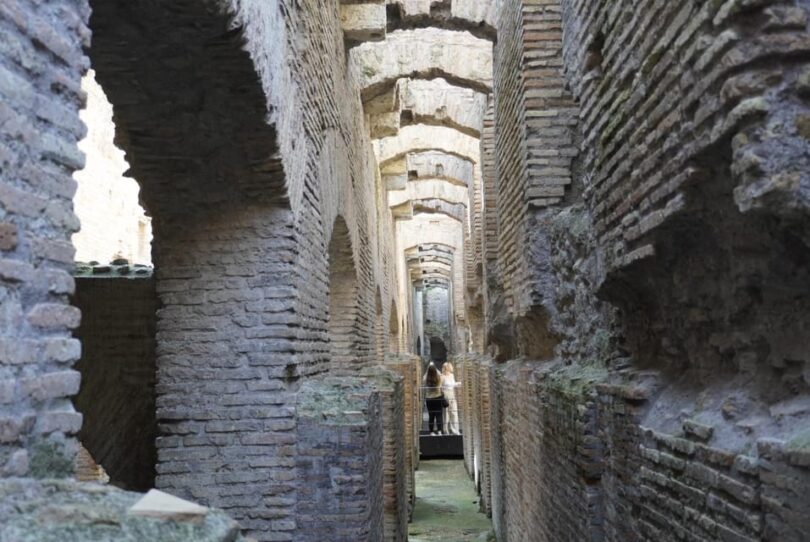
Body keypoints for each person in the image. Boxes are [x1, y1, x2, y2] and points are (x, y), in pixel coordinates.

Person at [441, 361, 461, 435]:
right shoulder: (442, 376)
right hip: (446, 395)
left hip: (452, 394)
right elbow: (440, 387)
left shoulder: (452, 375)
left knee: (454, 412)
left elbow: (453, 384)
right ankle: (446, 430)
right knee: (446, 414)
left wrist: (458, 383)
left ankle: (455, 430)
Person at [423, 363, 444, 435]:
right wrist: (436, 369)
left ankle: (431, 431)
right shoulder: (438, 378)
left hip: (429, 399)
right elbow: (441, 375)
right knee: (439, 415)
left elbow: (424, 377)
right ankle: (439, 431)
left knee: (431, 415)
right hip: (438, 397)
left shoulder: (426, 378)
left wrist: (428, 370)